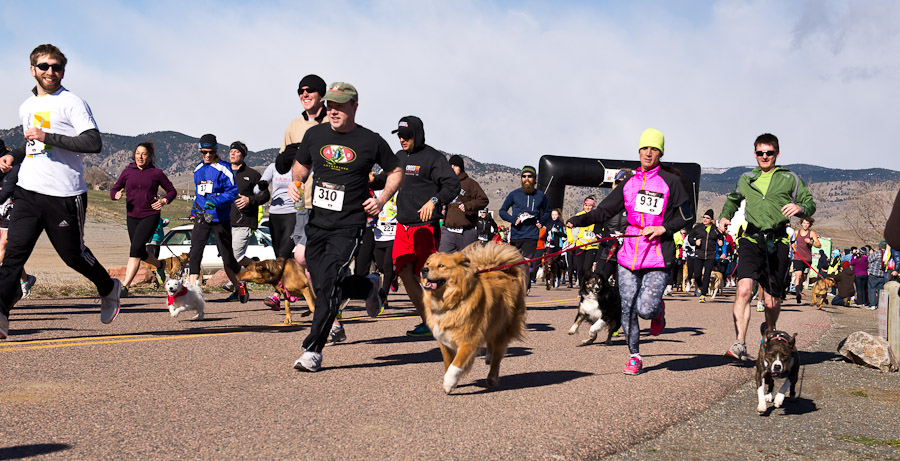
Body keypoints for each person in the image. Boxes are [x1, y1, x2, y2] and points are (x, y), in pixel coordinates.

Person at [0, 44, 122, 340]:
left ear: (63, 71)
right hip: (28, 190)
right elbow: (35, 144)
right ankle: (1, 315)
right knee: (13, 254)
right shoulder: (27, 106)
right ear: (33, 70)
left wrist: (48, 137)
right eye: (44, 66)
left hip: (64, 193)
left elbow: (93, 143)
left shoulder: (72, 103)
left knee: (73, 255)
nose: (50, 72)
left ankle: (108, 287)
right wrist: (15, 154)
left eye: (56, 67)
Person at [288, 81, 403, 372]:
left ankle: (313, 350)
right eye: (330, 105)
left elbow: (395, 170)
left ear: (354, 106)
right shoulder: (315, 135)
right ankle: (368, 285)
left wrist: (381, 199)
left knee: (327, 287)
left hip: (350, 225)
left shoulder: (371, 140)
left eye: (340, 105)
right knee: (323, 278)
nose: (333, 110)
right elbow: (301, 165)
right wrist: (297, 182)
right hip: (317, 222)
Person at [567, 128, 692, 375]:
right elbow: (603, 211)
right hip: (629, 254)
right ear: (639, 151)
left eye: (654, 149)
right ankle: (634, 356)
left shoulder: (671, 182)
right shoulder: (629, 184)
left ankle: (658, 311)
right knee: (626, 306)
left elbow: (688, 215)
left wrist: (663, 228)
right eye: (644, 148)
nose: (648, 153)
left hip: (658, 254)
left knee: (645, 308)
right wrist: (578, 220)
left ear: (660, 153)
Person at [717, 133, 816, 360]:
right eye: (760, 153)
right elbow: (733, 199)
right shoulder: (746, 178)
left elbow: (810, 203)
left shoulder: (790, 178)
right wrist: (724, 217)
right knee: (743, 289)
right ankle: (740, 343)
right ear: (754, 154)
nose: (764, 156)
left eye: (769, 153)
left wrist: (799, 208)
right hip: (751, 239)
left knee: (771, 300)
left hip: (777, 241)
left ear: (776, 154)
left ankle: (769, 332)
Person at [390, 116, 460, 337]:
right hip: (403, 226)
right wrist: (374, 180)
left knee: (430, 278)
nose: (402, 139)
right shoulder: (399, 157)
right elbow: (387, 180)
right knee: (402, 269)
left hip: (426, 227)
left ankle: (449, 316)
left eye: (407, 135)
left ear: (417, 135)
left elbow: (452, 185)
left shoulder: (433, 158)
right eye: (400, 135)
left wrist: (434, 201)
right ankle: (428, 321)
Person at [109, 142, 177, 294]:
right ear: (134, 155)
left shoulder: (156, 173)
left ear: (149, 156)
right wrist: (116, 195)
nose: (140, 156)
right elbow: (114, 189)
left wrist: (163, 201)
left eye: (144, 154)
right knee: (139, 250)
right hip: (132, 216)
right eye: (138, 153)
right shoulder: (127, 172)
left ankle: (125, 287)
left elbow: (172, 191)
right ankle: (159, 266)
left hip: (150, 215)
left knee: (134, 250)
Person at [187, 134, 248, 303]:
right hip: (202, 218)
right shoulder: (197, 170)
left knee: (227, 258)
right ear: (200, 151)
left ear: (216, 151)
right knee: (195, 251)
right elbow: (199, 195)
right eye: (204, 152)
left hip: (220, 219)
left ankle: (240, 284)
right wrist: (194, 210)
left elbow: (232, 193)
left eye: (211, 152)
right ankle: (193, 291)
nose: (207, 155)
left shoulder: (224, 168)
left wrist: (214, 201)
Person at [224, 141, 270, 301]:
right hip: (223, 222)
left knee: (234, 257)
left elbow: (265, 195)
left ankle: (239, 283)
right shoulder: (223, 172)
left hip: (243, 221)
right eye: (231, 151)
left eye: (237, 152)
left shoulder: (252, 174)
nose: (233, 154)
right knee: (229, 257)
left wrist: (250, 200)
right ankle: (258, 269)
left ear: (243, 155)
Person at [500, 166, 550, 293]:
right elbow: (502, 211)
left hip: (531, 235)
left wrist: (541, 222)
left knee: (525, 264)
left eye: (529, 176)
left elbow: (548, 211)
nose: (526, 179)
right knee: (515, 264)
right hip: (516, 235)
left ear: (534, 179)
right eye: (524, 176)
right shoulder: (514, 194)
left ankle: (523, 289)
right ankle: (517, 287)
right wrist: (513, 220)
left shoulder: (540, 196)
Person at [0, 145, 37, 298]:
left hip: (14, 206)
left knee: (3, 243)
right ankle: (26, 278)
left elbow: (4, 195)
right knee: (7, 251)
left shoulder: (14, 167)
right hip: (2, 206)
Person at [261, 160, 297, 309]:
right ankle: (292, 287)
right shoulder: (274, 167)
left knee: (283, 254)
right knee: (280, 257)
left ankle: (276, 295)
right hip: (275, 215)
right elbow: (259, 187)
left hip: (294, 213)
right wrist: (261, 187)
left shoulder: (303, 167)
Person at [438, 154, 488, 253]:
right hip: (448, 231)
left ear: (461, 168)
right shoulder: (445, 183)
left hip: (467, 232)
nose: (452, 168)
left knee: (467, 264)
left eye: (455, 166)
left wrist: (468, 206)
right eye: (450, 165)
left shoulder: (470, 183)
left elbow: (484, 200)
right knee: (443, 262)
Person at [688, 209, 723, 302]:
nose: (705, 219)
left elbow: (721, 238)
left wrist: (721, 242)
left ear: (711, 220)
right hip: (699, 254)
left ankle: (703, 295)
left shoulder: (715, 230)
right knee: (697, 275)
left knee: (707, 275)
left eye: (707, 218)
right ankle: (700, 286)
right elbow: (690, 238)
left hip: (710, 256)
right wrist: (695, 242)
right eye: (704, 217)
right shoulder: (698, 227)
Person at [567, 195, 600, 287]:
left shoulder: (596, 216)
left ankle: (588, 284)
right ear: (583, 205)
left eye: (590, 206)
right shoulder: (579, 215)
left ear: (593, 206)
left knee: (586, 268)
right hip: (580, 245)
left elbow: (600, 229)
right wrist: (571, 239)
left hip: (592, 246)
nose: (587, 207)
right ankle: (582, 287)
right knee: (580, 268)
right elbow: (569, 227)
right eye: (586, 205)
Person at [789, 217, 820, 303]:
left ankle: (800, 289)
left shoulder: (812, 233)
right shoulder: (796, 233)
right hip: (798, 258)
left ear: (809, 224)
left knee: (804, 277)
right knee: (798, 276)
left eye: (807, 223)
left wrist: (811, 242)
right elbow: (791, 241)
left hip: (807, 259)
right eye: (804, 223)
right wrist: (793, 248)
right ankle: (797, 293)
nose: (805, 225)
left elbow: (818, 244)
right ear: (801, 224)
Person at [544, 208, 567, 288]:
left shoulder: (561, 224)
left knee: (557, 262)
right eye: (552, 215)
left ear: (558, 215)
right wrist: (546, 238)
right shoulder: (548, 224)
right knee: (548, 261)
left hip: (558, 245)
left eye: (555, 215)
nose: (554, 216)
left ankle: (557, 277)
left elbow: (565, 235)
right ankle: (549, 278)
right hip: (549, 246)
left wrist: (558, 232)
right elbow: (545, 234)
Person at [866, 244, 884, 310]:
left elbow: (869, 259)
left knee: (872, 289)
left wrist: (871, 253)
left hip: (874, 273)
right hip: (882, 274)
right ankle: (880, 305)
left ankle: (872, 304)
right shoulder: (887, 254)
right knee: (880, 291)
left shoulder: (877, 253)